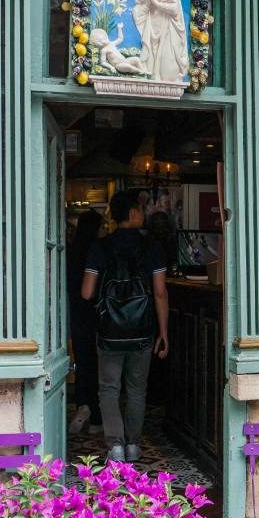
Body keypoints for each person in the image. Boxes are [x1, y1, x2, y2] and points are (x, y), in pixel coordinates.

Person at [81, 188, 169, 463]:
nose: (143, 214)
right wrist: (164, 333)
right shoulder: (152, 247)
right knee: (136, 388)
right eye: (141, 210)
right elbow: (160, 293)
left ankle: (115, 446)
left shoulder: (100, 247)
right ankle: (133, 445)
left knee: (108, 388)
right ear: (133, 213)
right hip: (143, 330)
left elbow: (86, 292)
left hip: (109, 331)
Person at [66, 210, 103, 436]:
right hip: (97, 314)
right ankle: (97, 416)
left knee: (82, 360)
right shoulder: (97, 250)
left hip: (76, 313)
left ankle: (82, 405)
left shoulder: (71, 250)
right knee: (98, 365)